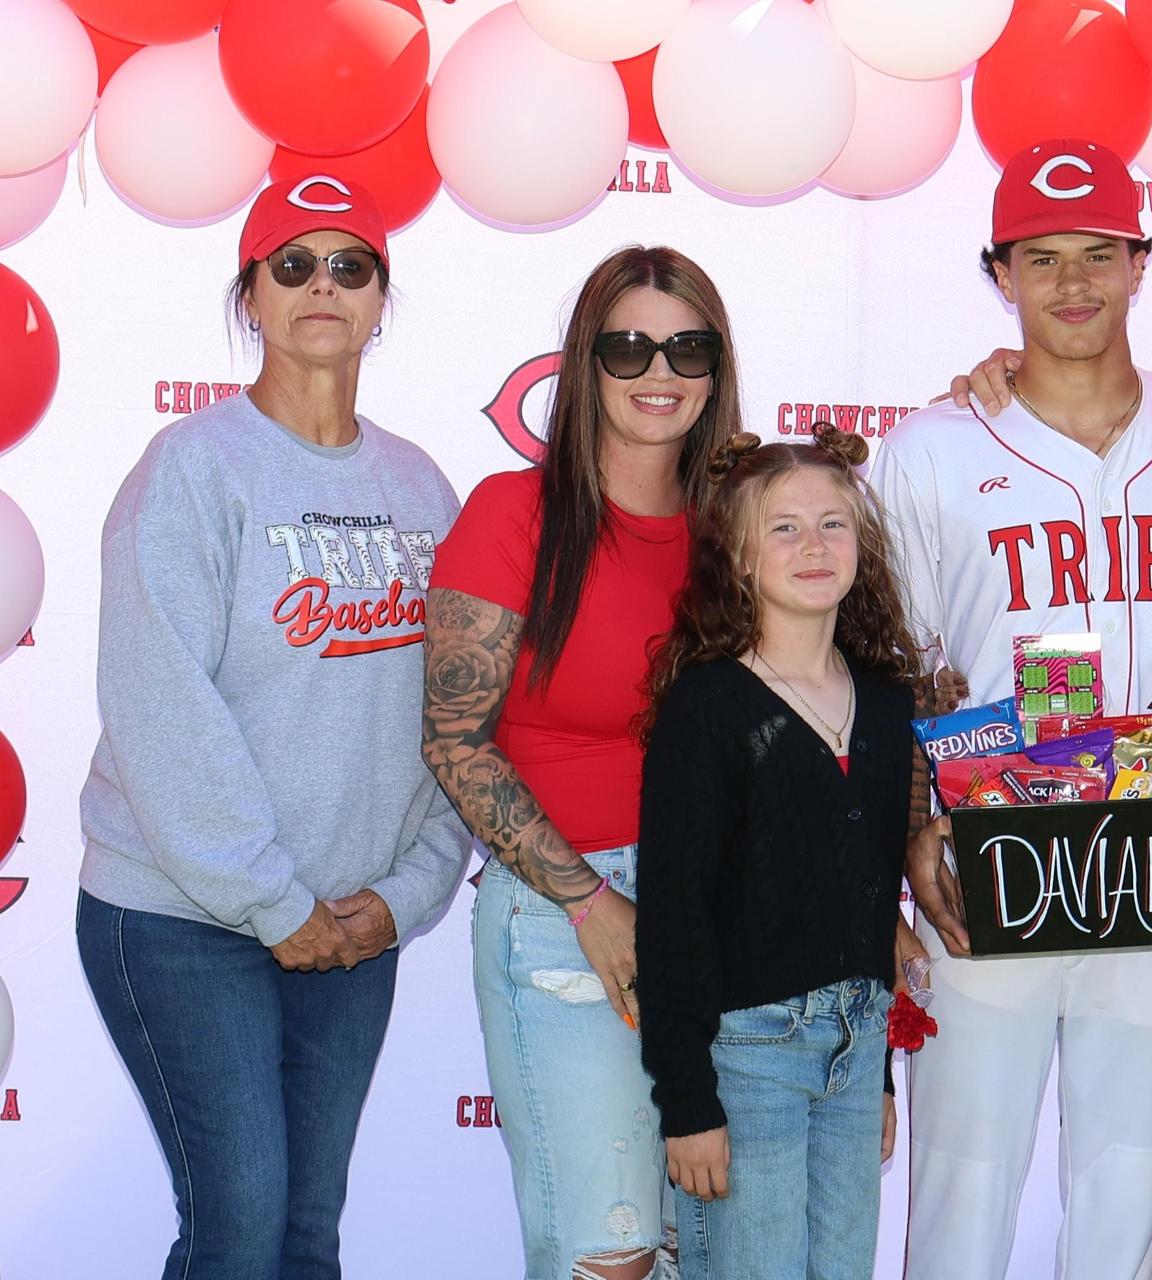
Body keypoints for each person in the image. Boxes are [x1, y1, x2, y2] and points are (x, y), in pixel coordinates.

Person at [874, 138, 1152, 1280]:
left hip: (1151, 860)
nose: (1075, 283)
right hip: (984, 856)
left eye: (1100, 253)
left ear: (1144, 263)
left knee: (1121, 1198)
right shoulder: (932, 445)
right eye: (1042, 259)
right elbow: (893, 664)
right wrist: (907, 833)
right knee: (961, 1193)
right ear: (1000, 273)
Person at [74, 174, 471, 1280]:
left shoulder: (421, 489)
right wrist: (274, 900)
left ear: (382, 298)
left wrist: (405, 895)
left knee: (305, 1229)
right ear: (250, 294)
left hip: (350, 925)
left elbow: (455, 722)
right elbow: (162, 711)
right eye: (292, 263)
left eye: (351, 264)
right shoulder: (193, 469)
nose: (322, 286)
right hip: (180, 915)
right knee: (241, 1225)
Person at [423, 245, 745, 1279]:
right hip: (565, 912)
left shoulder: (740, 527)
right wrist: (591, 901)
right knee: (607, 1255)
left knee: (710, 1248)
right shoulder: (512, 515)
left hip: (724, 913)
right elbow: (453, 739)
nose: (661, 371)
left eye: (687, 345)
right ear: (585, 363)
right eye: (629, 345)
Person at [633, 428, 920, 1280]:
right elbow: (675, 918)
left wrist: (879, 1081)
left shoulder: (885, 701)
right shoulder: (708, 706)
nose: (814, 546)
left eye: (833, 524)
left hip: (857, 1043)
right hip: (745, 1059)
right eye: (784, 528)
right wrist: (688, 1103)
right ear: (739, 556)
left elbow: (870, 902)